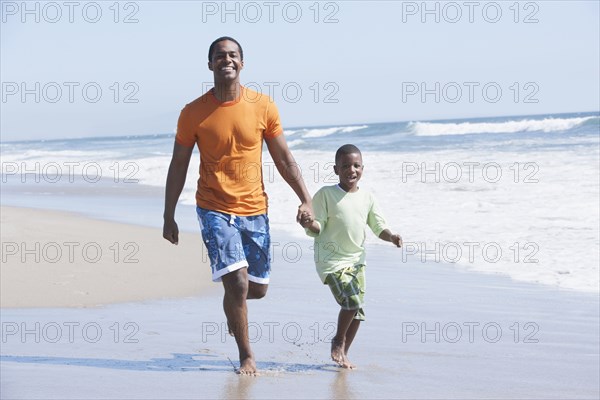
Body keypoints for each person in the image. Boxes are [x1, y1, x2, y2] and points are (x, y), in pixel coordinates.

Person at [163, 36, 313, 375]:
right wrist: (168, 214)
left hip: (254, 208)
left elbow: (284, 158)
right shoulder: (192, 113)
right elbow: (178, 164)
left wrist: (306, 198)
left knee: (256, 289)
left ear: (242, 63)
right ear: (210, 64)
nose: (226, 60)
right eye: (219, 56)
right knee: (238, 283)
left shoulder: (263, 106)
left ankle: (233, 307)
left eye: (232, 55)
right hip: (213, 207)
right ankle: (247, 355)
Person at [299, 144, 402, 369]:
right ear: (336, 169)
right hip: (331, 262)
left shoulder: (367, 198)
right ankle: (338, 341)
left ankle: (343, 354)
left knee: (357, 311)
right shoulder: (326, 194)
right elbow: (317, 227)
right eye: (345, 166)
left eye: (356, 165)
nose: (351, 170)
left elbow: (378, 227)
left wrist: (391, 237)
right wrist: (308, 222)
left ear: (363, 168)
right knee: (352, 302)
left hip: (357, 262)